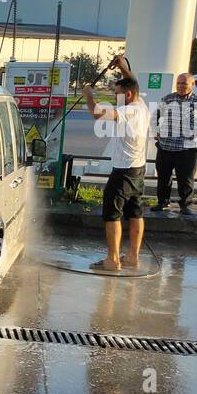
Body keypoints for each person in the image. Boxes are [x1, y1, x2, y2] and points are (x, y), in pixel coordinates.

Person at [83, 54, 151, 271]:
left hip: (124, 171)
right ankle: (132, 256)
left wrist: (89, 95)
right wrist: (123, 68)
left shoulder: (129, 110)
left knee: (112, 214)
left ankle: (113, 260)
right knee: (135, 212)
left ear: (128, 95)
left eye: (118, 94)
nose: (115, 98)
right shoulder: (140, 104)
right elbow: (133, 83)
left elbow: (96, 113)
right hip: (138, 169)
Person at [153, 72, 197, 215]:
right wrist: (156, 130)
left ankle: (185, 205)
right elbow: (156, 116)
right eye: (179, 83)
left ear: (192, 84)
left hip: (187, 148)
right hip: (165, 146)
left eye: (184, 83)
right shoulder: (168, 98)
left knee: (186, 179)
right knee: (163, 177)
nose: (181, 86)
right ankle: (163, 202)